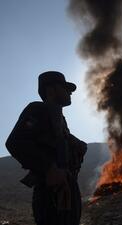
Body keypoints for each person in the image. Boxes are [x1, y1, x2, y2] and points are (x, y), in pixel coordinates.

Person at [5, 71, 87, 225]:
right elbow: (15, 142)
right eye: (65, 87)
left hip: (67, 188)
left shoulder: (61, 121)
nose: (70, 92)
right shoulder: (38, 109)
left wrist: (76, 146)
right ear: (51, 90)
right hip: (51, 192)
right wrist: (49, 168)